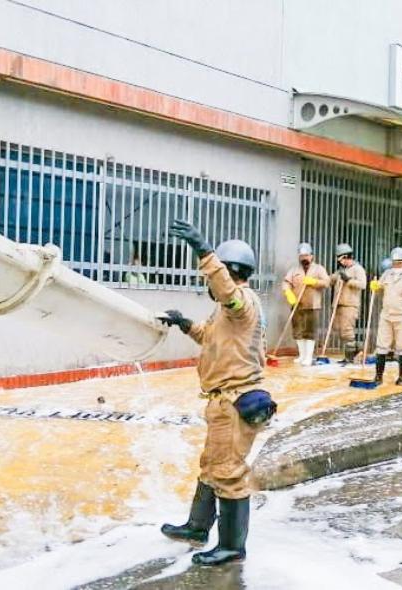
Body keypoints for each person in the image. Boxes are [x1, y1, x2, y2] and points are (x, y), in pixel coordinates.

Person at [158, 220, 277, 567]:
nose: (210, 285)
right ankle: (197, 528)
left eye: (217, 274)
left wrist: (202, 249)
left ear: (230, 271)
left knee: (228, 472)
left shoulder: (241, 302)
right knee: (211, 467)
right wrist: (184, 324)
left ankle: (232, 546)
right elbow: (212, 340)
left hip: (235, 401)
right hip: (221, 401)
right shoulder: (228, 312)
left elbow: (228, 292)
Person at [370, 247, 402, 385]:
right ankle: (378, 376)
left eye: (399, 263)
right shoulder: (387, 274)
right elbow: (380, 285)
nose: (396, 266)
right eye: (394, 263)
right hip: (386, 316)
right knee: (381, 346)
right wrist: (376, 285)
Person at [282, 243, 331, 366]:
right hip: (297, 304)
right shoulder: (294, 270)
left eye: (306, 255)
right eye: (302, 256)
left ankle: (308, 357)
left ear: (312, 256)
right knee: (298, 331)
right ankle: (302, 355)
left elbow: (326, 282)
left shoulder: (318, 269)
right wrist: (288, 292)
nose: (304, 258)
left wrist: (314, 282)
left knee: (309, 332)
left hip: (312, 305)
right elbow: (286, 282)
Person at [330, 243, 368, 365]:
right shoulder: (341, 270)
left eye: (341, 259)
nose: (340, 262)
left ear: (346, 256)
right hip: (339, 304)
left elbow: (363, 285)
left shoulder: (358, 269)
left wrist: (349, 280)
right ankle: (352, 353)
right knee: (341, 331)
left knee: (347, 331)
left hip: (350, 305)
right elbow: (330, 280)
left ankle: (351, 356)